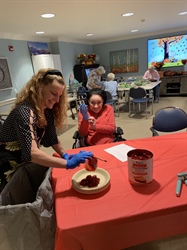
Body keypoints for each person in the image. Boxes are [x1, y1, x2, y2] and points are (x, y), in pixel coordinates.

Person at [0, 68, 93, 194]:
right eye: (54, 93)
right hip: (6, 164)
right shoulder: (24, 112)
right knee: (11, 198)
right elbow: (32, 153)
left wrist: (64, 154)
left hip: (23, 163)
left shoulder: (47, 112)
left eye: (60, 96)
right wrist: (67, 163)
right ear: (39, 88)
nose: (57, 100)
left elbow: (52, 138)